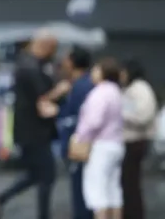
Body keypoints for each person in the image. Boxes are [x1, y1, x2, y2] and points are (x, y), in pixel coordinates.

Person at [0, 30, 59, 219]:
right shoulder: (31, 67)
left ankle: (0, 200)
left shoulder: (28, 65)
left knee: (36, 174)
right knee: (46, 175)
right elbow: (43, 98)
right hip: (34, 131)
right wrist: (61, 91)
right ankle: (43, 214)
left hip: (30, 130)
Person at [74, 58, 125, 219]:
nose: (93, 73)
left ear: (104, 73)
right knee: (113, 190)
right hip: (116, 144)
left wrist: (80, 136)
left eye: (96, 69)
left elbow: (94, 121)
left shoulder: (100, 93)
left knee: (98, 191)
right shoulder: (117, 92)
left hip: (101, 145)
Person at [56, 47, 94, 219]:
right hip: (77, 144)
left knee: (81, 193)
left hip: (79, 145)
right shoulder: (77, 84)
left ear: (72, 62)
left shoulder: (82, 86)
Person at [119, 58, 157, 219]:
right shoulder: (129, 89)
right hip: (128, 141)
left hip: (135, 141)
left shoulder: (141, 89)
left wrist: (121, 114)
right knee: (127, 182)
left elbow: (143, 115)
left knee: (131, 183)